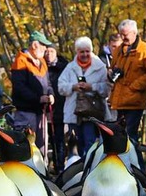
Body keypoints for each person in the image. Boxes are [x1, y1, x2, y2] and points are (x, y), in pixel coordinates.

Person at [108, 19, 146, 169]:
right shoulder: (118, 50)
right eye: (121, 34)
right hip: (119, 100)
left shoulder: (145, 50)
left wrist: (135, 86)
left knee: (130, 136)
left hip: (134, 101)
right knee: (121, 136)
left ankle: (138, 169)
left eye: (126, 35)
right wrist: (110, 73)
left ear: (135, 32)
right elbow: (113, 69)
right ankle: (125, 167)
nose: (123, 38)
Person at [58, 36, 110, 158]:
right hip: (73, 112)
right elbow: (60, 86)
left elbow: (106, 89)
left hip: (92, 112)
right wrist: (73, 87)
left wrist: (91, 87)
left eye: (87, 51)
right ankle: (77, 172)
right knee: (75, 144)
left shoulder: (100, 67)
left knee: (91, 143)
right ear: (77, 52)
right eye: (82, 51)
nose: (85, 54)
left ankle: (91, 169)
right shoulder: (70, 67)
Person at [10, 30, 54, 155]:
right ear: (35, 45)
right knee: (26, 146)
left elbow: (48, 83)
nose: (45, 48)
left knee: (42, 146)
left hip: (42, 112)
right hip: (26, 112)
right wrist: (39, 98)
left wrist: (51, 94)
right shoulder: (20, 61)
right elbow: (19, 88)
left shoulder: (42, 61)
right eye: (43, 45)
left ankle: (41, 172)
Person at [44, 43, 69, 172]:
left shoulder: (64, 67)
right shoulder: (41, 67)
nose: (49, 55)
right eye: (46, 52)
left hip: (60, 107)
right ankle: (49, 164)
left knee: (59, 137)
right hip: (45, 108)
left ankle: (60, 165)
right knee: (47, 138)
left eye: (51, 52)